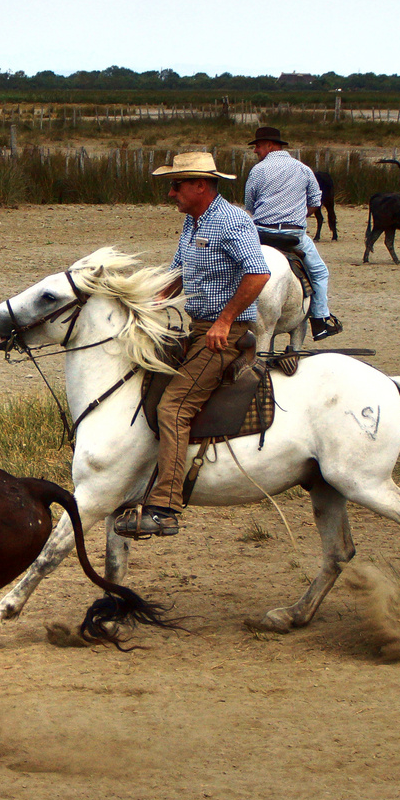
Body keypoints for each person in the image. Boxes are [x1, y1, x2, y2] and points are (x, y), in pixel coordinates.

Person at [116, 151, 271, 540]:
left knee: (174, 407)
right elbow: (178, 274)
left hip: (224, 333)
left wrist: (225, 320)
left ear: (200, 185)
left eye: (177, 185)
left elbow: (258, 272)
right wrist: (145, 304)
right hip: (199, 326)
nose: (171, 193)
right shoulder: (192, 223)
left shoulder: (233, 221)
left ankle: (165, 507)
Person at [243, 126, 341, 340]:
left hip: (260, 233)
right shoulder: (303, 169)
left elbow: (249, 205)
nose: (255, 151)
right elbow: (316, 201)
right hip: (292, 236)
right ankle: (320, 320)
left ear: (270, 146)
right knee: (320, 272)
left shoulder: (257, 171)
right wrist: (296, 216)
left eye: (257, 146)